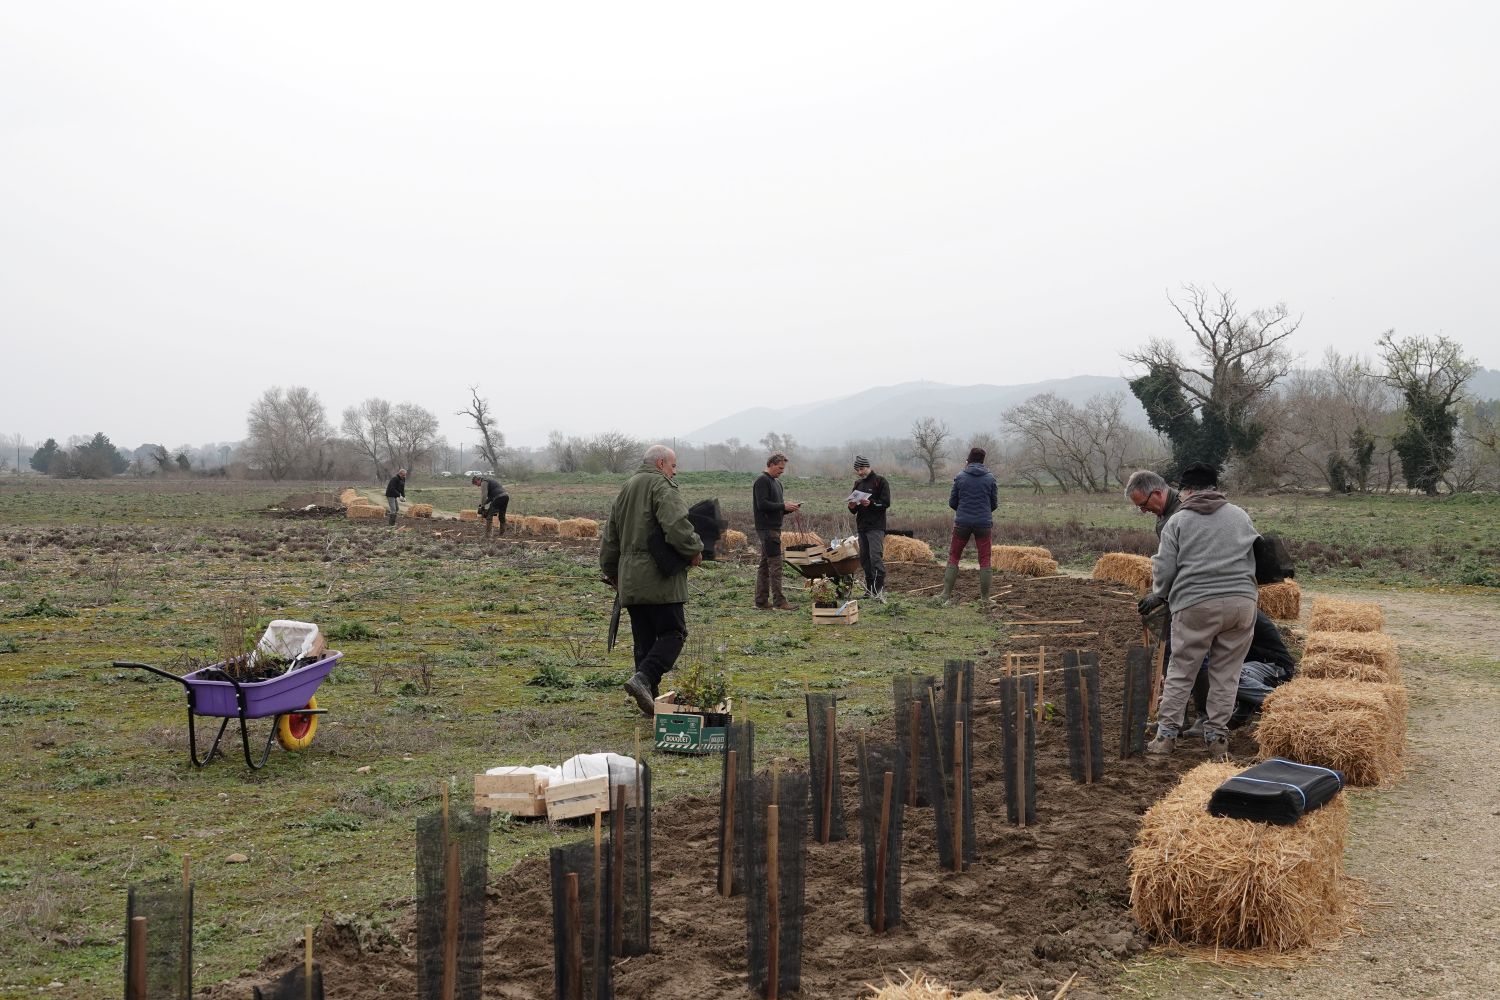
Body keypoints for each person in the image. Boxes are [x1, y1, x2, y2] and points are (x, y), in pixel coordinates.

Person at [1126, 468, 1260, 762]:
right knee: (1226, 673)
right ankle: (1217, 739)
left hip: (1196, 603)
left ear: (1185, 492)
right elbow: (1256, 554)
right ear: (1214, 488)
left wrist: (1160, 592)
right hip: (1242, 604)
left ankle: (1166, 737)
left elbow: (1164, 568)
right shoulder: (1240, 515)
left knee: (1182, 669)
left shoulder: (1179, 520)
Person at [600, 444, 704, 717]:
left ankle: (651, 703)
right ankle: (643, 679)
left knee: (644, 641)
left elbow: (610, 536)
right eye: (673, 465)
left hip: (630, 580)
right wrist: (694, 550)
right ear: (660, 464)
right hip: (658, 576)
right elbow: (676, 525)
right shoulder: (661, 485)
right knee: (674, 633)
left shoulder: (626, 488)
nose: (675, 470)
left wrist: (611, 571)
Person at [941, 447, 999, 605]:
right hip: (983, 524)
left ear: (969, 460)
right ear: (982, 461)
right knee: (985, 560)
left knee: (954, 556)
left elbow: (952, 502)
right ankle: (985, 599)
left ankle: (945, 595)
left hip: (962, 523)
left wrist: (963, 512)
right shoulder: (990, 478)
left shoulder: (960, 477)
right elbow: (994, 504)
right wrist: (983, 513)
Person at [751, 452, 800, 610]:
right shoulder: (762, 481)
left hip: (775, 528)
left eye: (783, 468)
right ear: (771, 464)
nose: (782, 471)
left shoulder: (777, 483)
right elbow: (762, 504)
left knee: (765, 565)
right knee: (776, 565)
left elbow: (776, 508)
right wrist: (783, 506)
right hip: (766, 529)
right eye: (780, 468)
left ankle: (761, 601)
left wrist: (788, 509)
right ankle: (779, 601)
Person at [848, 456, 891, 601]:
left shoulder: (880, 481)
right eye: (857, 470)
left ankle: (878, 591)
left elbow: (885, 503)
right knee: (865, 559)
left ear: (868, 467)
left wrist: (871, 503)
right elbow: (853, 510)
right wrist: (851, 506)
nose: (860, 472)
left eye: (862, 469)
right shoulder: (857, 484)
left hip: (876, 527)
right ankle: (869, 590)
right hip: (862, 527)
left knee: (875, 557)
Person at [472, 474, 509, 538]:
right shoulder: (489, 481)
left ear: (478, 480)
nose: (478, 486)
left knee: (489, 516)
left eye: (476, 484)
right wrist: (483, 504)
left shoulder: (484, 482)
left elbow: (484, 495)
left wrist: (483, 506)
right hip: (505, 496)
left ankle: (487, 535)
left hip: (498, 497)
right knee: (501, 515)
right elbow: (490, 498)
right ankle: (502, 533)